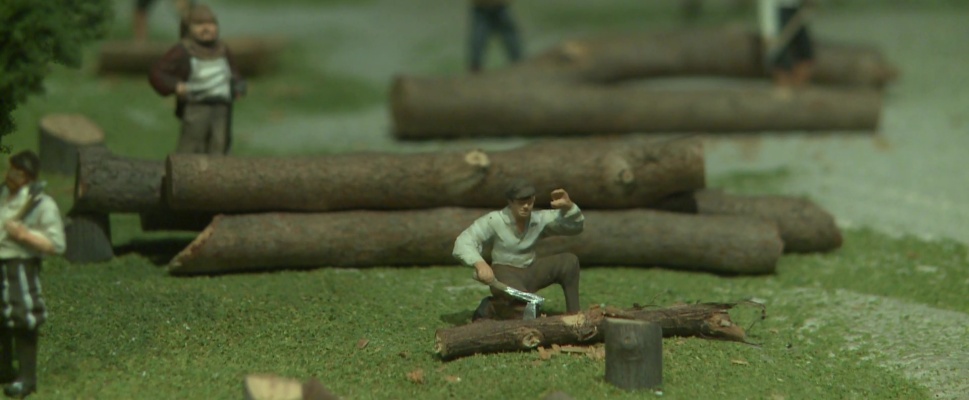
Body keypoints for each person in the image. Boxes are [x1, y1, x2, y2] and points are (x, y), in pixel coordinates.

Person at [453, 179, 584, 321]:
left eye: (530, 202)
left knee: (569, 262)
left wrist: (569, 208)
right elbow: (464, 241)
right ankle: (491, 307)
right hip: (505, 272)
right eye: (521, 202)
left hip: (531, 269)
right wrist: (480, 264)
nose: (526, 207)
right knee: (525, 309)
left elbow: (574, 227)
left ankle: (574, 315)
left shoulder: (539, 219)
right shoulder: (494, 220)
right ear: (510, 202)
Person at [0, 151, 66, 398]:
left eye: (18, 171)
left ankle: (27, 378)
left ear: (28, 177)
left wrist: (25, 235)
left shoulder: (41, 204)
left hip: (20, 265)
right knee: (1, 317)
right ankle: (4, 367)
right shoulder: (2, 194)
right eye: (11, 168)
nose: (11, 175)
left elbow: (56, 244)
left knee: (23, 316)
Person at [149, 3, 247, 155]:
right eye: (200, 24)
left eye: (211, 24)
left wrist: (238, 85)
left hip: (222, 106)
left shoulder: (223, 49)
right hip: (196, 106)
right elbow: (157, 73)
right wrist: (175, 86)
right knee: (192, 145)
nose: (207, 28)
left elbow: (233, 72)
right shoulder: (183, 50)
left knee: (220, 144)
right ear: (189, 28)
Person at [759, 0, 816, 88]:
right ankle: (783, 88)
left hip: (796, 9)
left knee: (805, 54)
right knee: (781, 58)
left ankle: (799, 88)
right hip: (778, 10)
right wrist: (768, 31)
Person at [468, 0, 523, 74]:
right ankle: (474, 70)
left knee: (512, 39)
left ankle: (520, 65)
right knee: (478, 40)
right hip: (482, 8)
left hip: (499, 7)